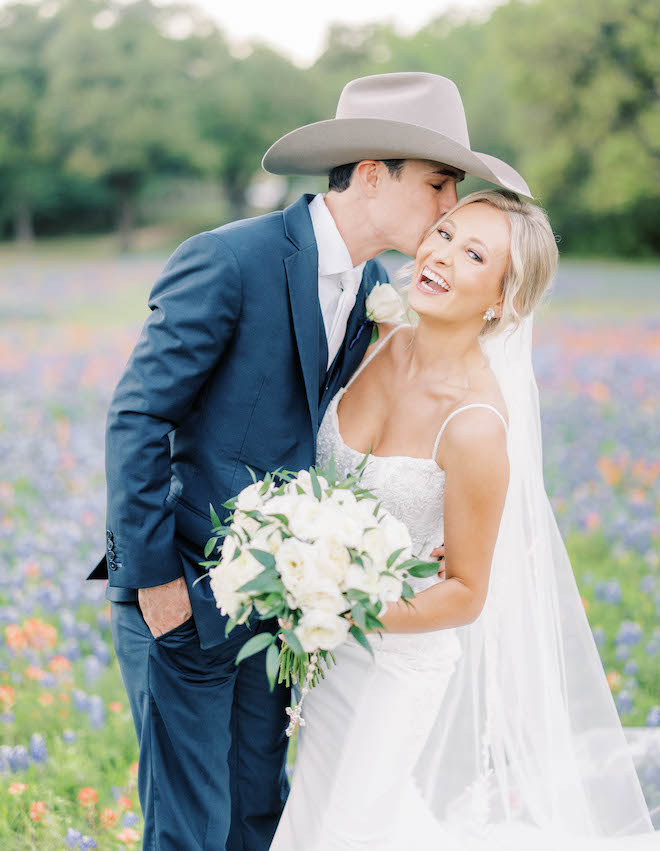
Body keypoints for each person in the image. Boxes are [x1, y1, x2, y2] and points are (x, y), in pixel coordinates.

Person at [86, 72, 532, 850]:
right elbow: (136, 415)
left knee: (260, 815)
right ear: (370, 175)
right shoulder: (229, 259)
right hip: (182, 590)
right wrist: (151, 578)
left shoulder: (373, 294)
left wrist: (391, 551)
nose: (446, 207)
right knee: (188, 829)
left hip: (279, 616)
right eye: (437, 184)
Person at [270, 190, 659, 850]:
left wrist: (345, 607)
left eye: (472, 254)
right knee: (319, 812)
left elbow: (466, 592)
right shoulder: (376, 336)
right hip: (319, 649)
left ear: (503, 300)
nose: (439, 255)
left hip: (392, 662)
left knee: (342, 830)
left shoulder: (476, 425)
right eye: (444, 233)